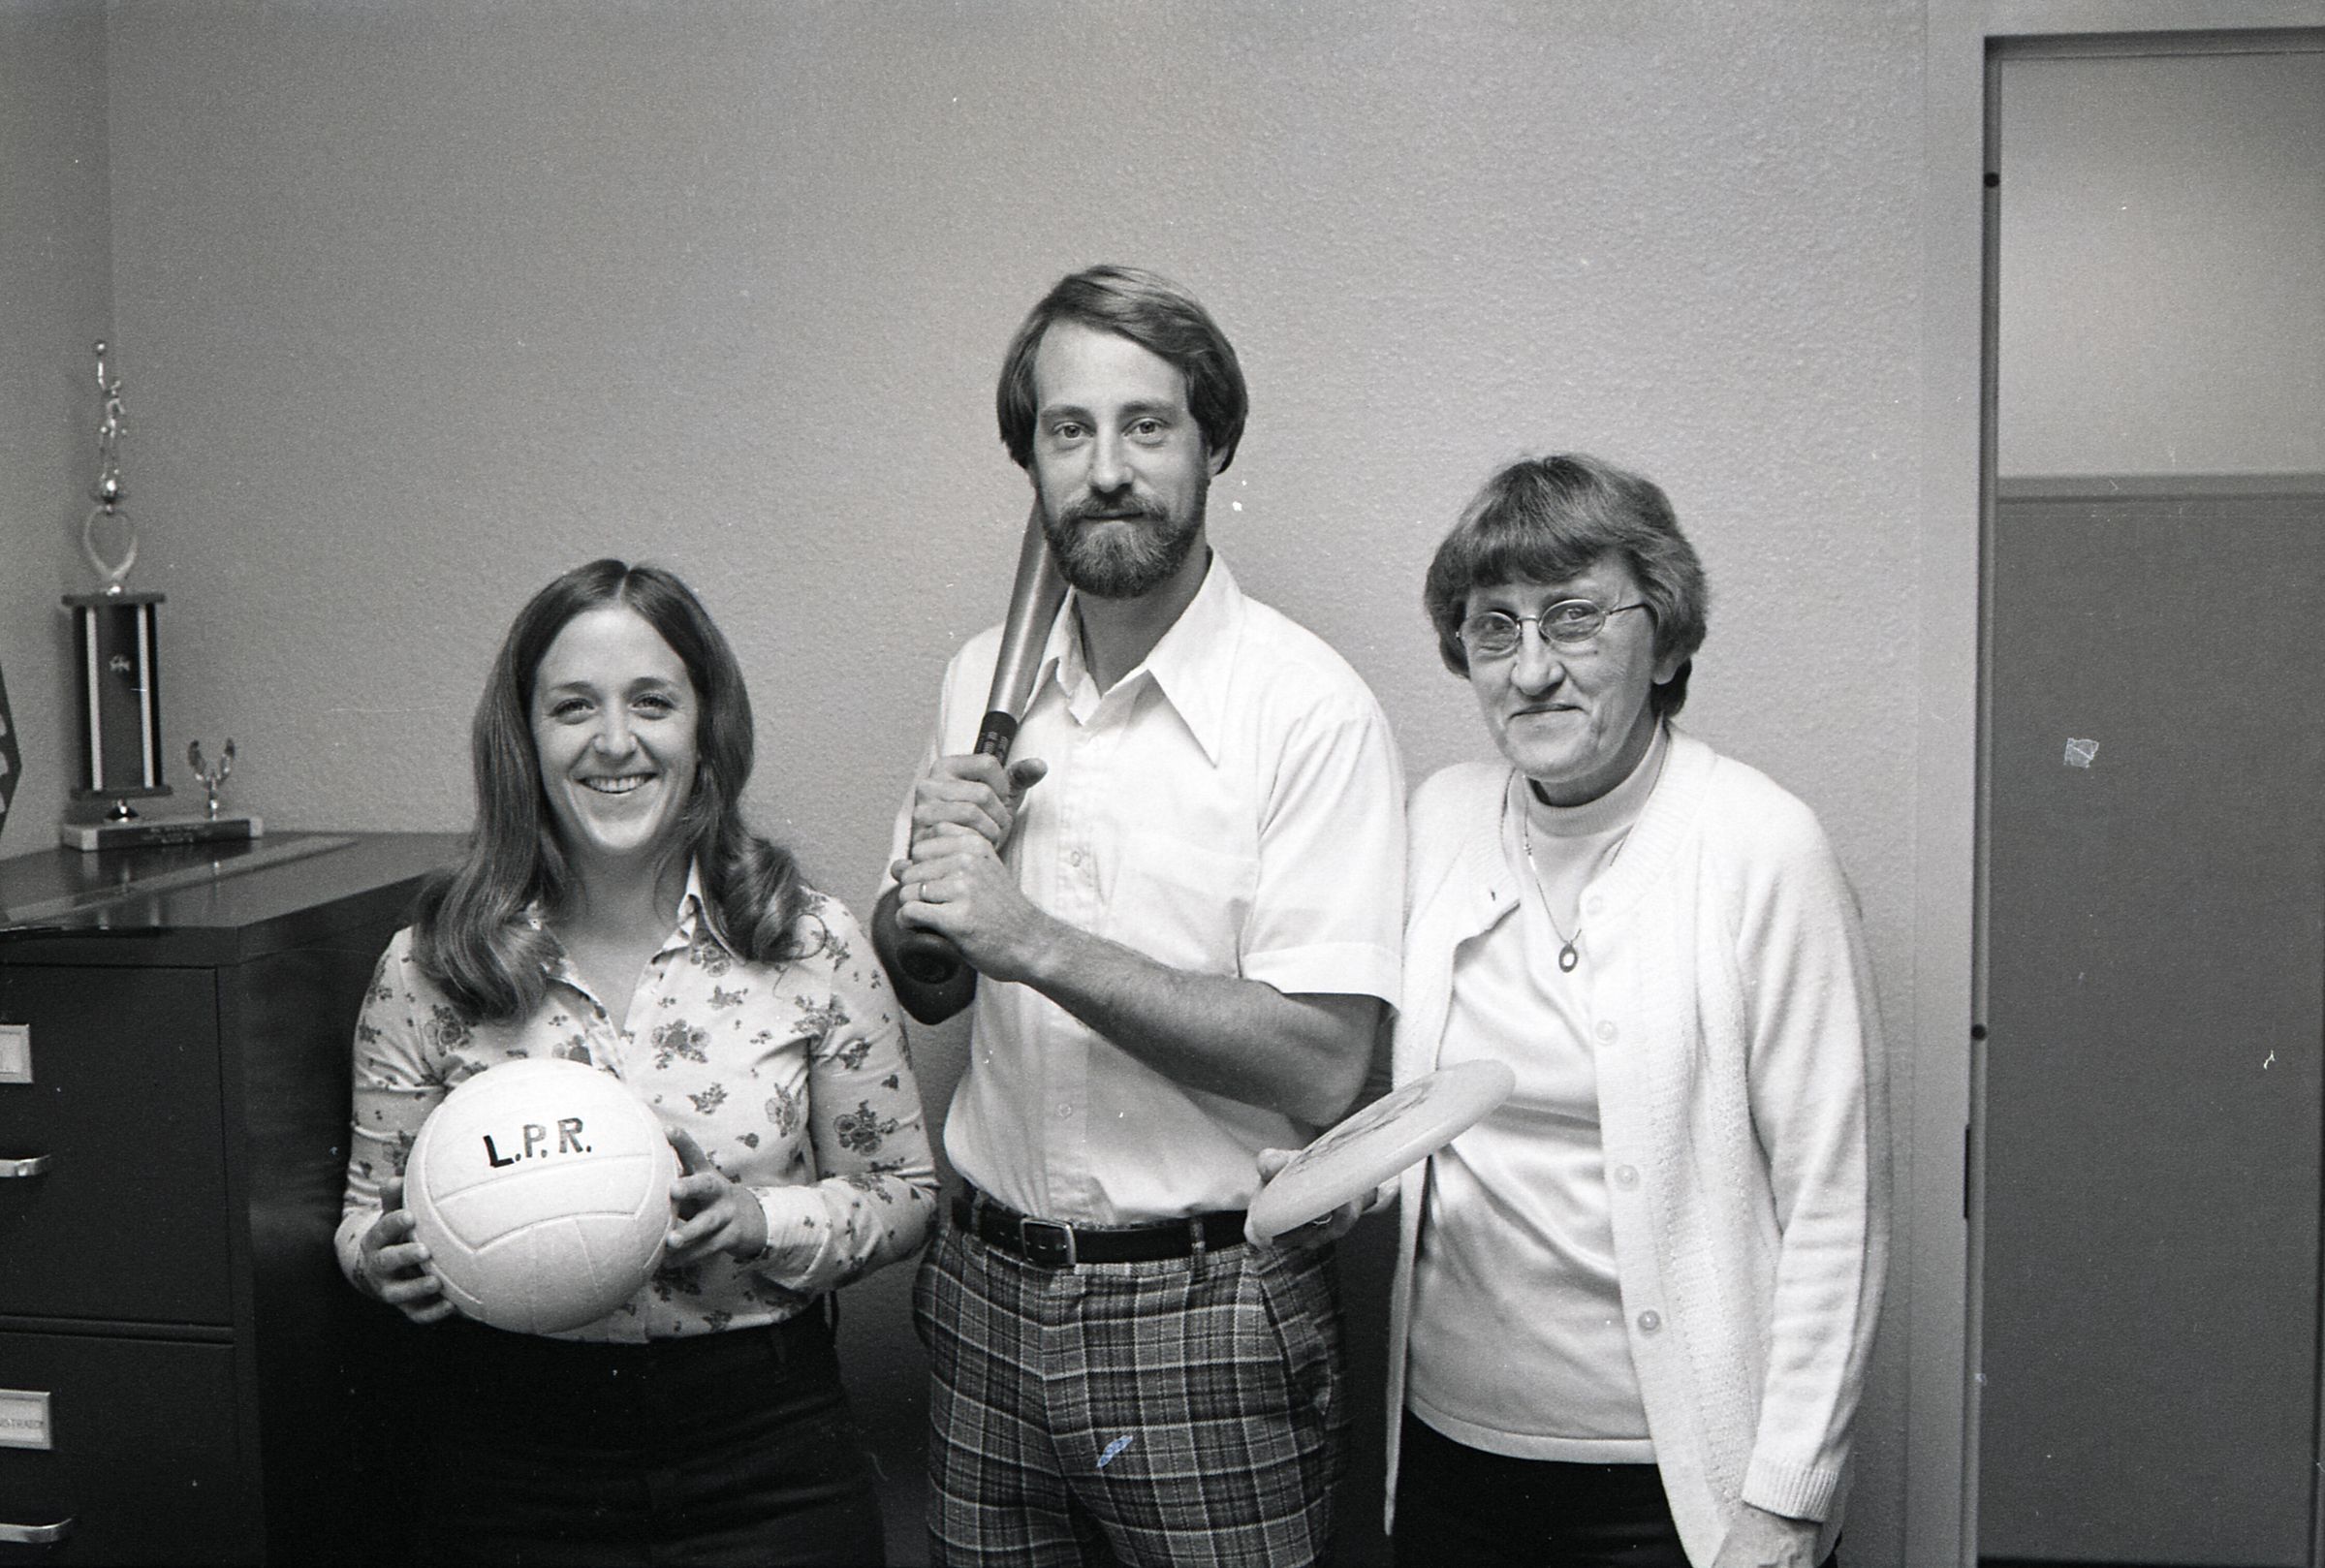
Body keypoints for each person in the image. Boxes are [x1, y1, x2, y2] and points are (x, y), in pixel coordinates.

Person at [872, 264, 1405, 1567]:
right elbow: (933, 981)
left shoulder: (1307, 710)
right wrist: (922, 904)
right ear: (1032, 461)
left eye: (1145, 426)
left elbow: (1324, 1066)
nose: (1105, 469)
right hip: (984, 1291)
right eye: (1069, 430)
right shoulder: (980, 680)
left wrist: (1032, 940)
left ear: (1212, 446)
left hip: (1205, 1314)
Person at [335, 558, 935, 1567]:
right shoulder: (430, 963)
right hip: (512, 1457)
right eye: (573, 706)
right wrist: (382, 1259)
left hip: (767, 1450)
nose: (614, 741)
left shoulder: (808, 941)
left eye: (651, 702)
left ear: (705, 727)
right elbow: (363, 1214)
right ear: (524, 736)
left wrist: (755, 1220)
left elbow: (904, 1191)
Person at [1386, 454, 1888, 1568]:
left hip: (1677, 1490)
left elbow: (1836, 1204)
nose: (1530, 670)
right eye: (1493, 627)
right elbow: (1408, 1113)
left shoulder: (1762, 846)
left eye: (1572, 618)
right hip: (1450, 1457)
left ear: (1662, 641)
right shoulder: (1435, 821)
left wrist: (1784, 1503)